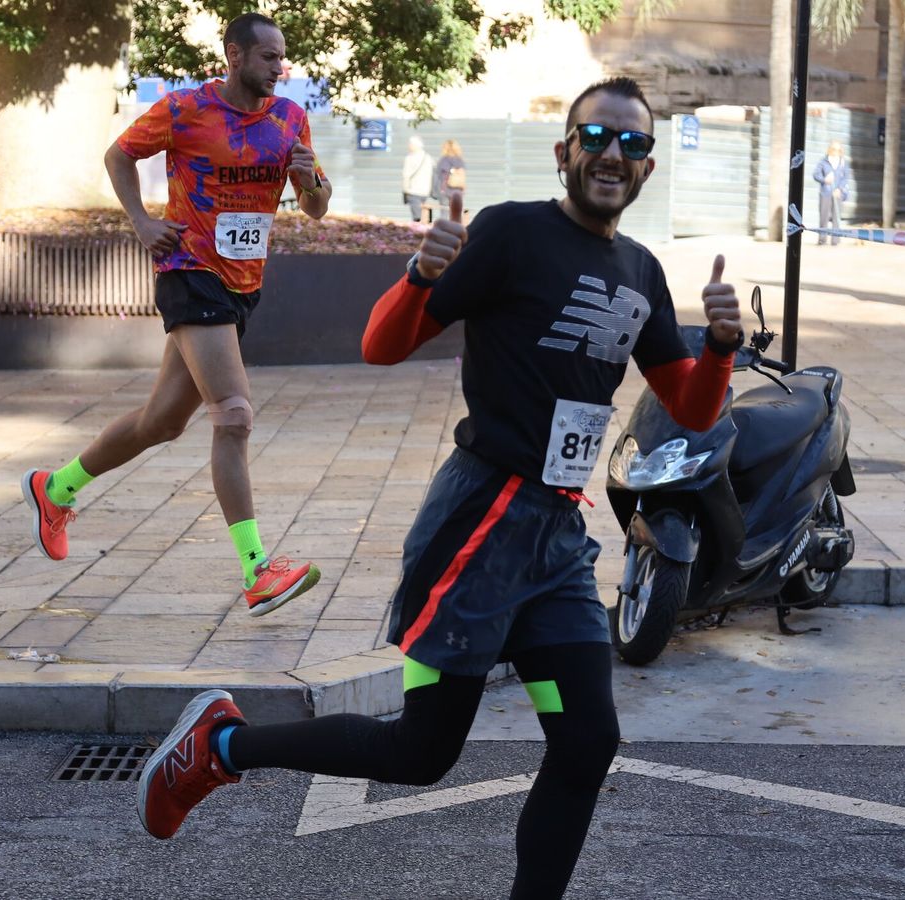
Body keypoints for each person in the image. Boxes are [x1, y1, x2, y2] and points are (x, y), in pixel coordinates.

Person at [136, 77, 743, 899]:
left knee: (587, 742)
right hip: (481, 521)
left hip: (557, 541)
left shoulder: (641, 269)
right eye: (597, 137)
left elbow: (690, 407)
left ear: (647, 168)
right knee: (421, 753)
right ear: (565, 151)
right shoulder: (510, 234)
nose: (614, 154)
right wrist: (420, 276)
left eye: (633, 144)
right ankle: (223, 747)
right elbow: (382, 345)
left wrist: (718, 347)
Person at [20, 12, 329, 617]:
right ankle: (257, 571)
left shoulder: (291, 119)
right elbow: (118, 155)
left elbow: (316, 206)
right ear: (235, 56)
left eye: (282, 57)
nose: (278, 67)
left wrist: (309, 179)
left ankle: (56, 489)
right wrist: (141, 220)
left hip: (242, 283)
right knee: (234, 415)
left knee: (162, 422)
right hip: (189, 271)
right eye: (268, 56)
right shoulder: (188, 110)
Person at [813, 139, 853, 246]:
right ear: (830, 149)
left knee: (836, 217)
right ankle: (822, 240)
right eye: (834, 149)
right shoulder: (823, 162)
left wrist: (839, 189)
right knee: (824, 217)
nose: (836, 151)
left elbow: (845, 178)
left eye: (838, 149)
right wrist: (824, 179)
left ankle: (835, 240)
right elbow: (816, 175)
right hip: (825, 193)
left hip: (837, 193)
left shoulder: (843, 163)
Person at [401, 135, 435, 222]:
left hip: (413, 191)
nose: (409, 146)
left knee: (417, 217)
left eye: (410, 144)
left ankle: (418, 233)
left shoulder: (410, 158)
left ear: (414, 145)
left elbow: (406, 175)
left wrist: (405, 189)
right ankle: (424, 230)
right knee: (424, 216)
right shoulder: (428, 157)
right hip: (425, 191)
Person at [433, 139, 466, 217]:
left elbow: (439, 175)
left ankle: (445, 229)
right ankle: (455, 228)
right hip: (458, 191)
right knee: (456, 214)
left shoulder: (443, 160)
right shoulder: (460, 160)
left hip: (445, 190)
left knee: (444, 212)